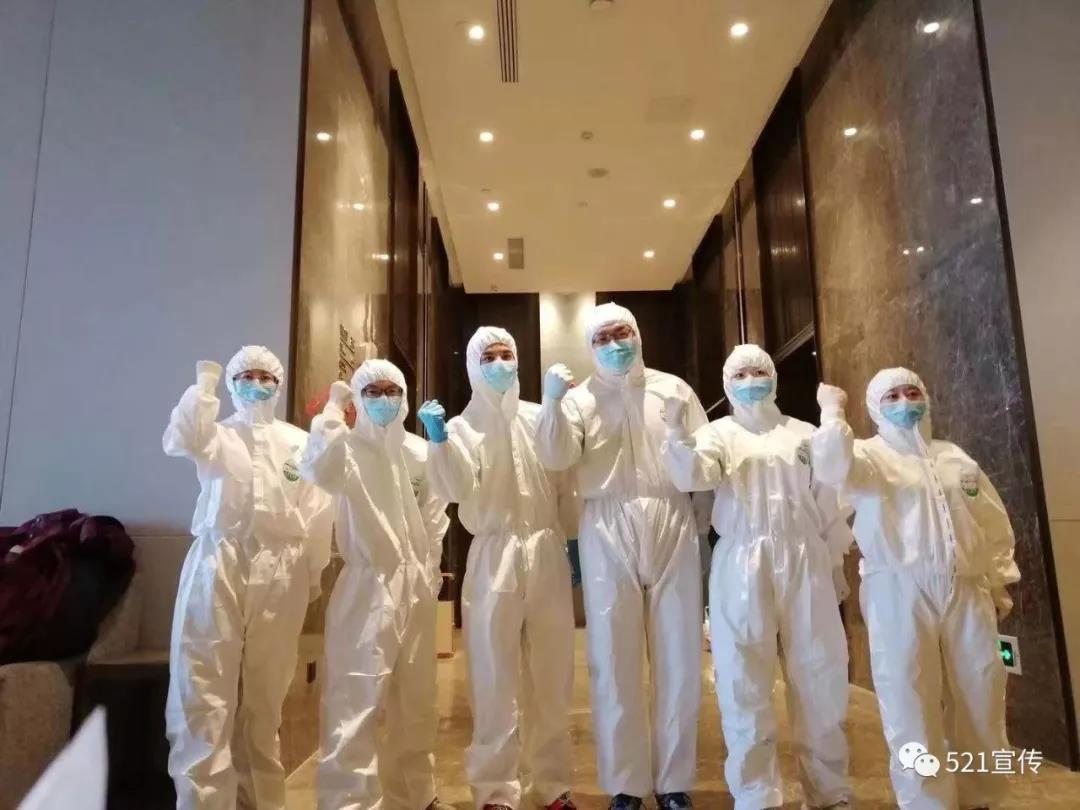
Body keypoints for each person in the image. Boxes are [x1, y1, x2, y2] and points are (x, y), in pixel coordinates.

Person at [812, 368, 1020, 810]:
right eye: (891, 396)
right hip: (897, 591)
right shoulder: (866, 457)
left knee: (982, 694)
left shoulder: (955, 458)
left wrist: (999, 580)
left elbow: (991, 521)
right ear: (875, 407)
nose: (905, 402)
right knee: (910, 700)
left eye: (912, 392)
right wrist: (832, 414)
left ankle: (980, 796)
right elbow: (830, 467)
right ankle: (928, 801)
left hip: (966, 589)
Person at [661, 344, 853, 810]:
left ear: (773, 377)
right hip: (741, 558)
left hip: (804, 556)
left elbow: (830, 498)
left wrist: (833, 562)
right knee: (743, 680)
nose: (751, 380)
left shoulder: (803, 433)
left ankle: (829, 793)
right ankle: (755, 794)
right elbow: (694, 476)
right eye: (741, 373)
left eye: (758, 371)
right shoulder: (718, 434)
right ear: (728, 383)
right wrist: (676, 434)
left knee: (820, 674)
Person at [535, 303, 705, 810]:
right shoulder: (578, 400)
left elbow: (704, 461)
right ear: (590, 346)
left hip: (672, 517)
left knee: (679, 654)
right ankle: (626, 784)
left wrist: (702, 526)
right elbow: (556, 457)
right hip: (606, 524)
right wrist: (551, 403)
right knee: (613, 657)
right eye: (603, 337)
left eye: (622, 332)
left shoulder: (674, 390)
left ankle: (673, 781)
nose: (615, 344)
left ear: (638, 333)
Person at [163, 345, 333, 810]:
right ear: (233, 384)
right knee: (203, 690)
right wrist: (204, 386)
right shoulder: (216, 434)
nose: (256, 385)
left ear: (279, 384)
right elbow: (180, 437)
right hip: (217, 561)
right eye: (246, 377)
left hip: (283, 567)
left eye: (265, 377)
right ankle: (203, 802)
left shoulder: (298, 443)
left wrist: (311, 573)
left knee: (266, 697)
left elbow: (319, 511)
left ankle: (261, 801)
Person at [417, 326, 577, 810]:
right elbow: (457, 489)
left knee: (552, 675)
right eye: (489, 356)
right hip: (493, 554)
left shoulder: (538, 416)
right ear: (473, 365)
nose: (501, 362)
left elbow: (565, 477)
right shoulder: (463, 427)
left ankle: (552, 786)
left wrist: (571, 543)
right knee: (492, 676)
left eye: (507, 353)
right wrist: (440, 442)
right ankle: (495, 790)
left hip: (546, 550)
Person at [299, 359, 452, 810]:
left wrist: (429, 570)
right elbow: (318, 469)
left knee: (417, 699)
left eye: (392, 390)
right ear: (358, 398)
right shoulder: (345, 449)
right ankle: (349, 802)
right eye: (372, 391)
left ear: (404, 396)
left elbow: (437, 513)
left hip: (416, 585)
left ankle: (415, 796)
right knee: (355, 698)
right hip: (366, 585)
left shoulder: (419, 452)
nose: (384, 399)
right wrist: (332, 410)